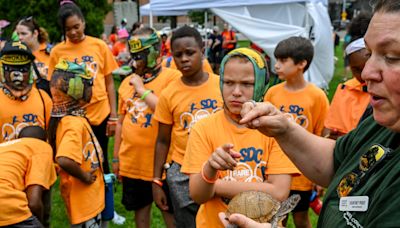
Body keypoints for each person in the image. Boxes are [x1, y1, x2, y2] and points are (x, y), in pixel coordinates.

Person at [236, 1, 400, 227]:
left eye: (392, 56)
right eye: (370, 53)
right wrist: (284, 129)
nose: (368, 72)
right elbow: (337, 161)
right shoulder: (383, 121)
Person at [181, 48, 299, 228]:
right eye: (228, 82)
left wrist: (215, 185)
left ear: (262, 84)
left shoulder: (276, 129)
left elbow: (279, 192)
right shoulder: (203, 128)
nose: (236, 91)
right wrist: (211, 168)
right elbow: (198, 195)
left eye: (247, 84)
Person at [153, 25, 223, 228]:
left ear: (202, 51)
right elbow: (162, 140)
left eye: (190, 53)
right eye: (178, 55)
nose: (184, 59)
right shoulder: (169, 94)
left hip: (220, 169)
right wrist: (157, 180)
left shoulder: (221, 86)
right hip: (183, 173)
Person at [113, 27, 181, 228]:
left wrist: (142, 90)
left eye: (141, 55)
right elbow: (120, 122)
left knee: (170, 214)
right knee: (141, 216)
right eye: (134, 55)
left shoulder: (172, 78)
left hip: (163, 163)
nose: (136, 61)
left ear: (155, 51)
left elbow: (167, 111)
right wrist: (116, 157)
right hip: (133, 162)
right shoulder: (126, 83)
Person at [48, 1, 119, 176]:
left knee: (101, 156)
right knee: (80, 157)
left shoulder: (99, 46)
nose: (73, 32)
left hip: (100, 114)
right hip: (73, 116)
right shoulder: (57, 52)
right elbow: (54, 86)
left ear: (83, 23)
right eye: (68, 29)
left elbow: (109, 82)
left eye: (76, 27)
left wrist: (113, 116)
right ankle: (84, 192)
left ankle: (105, 194)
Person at [265, 36, 329, 228]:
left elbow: (322, 135)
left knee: (301, 218)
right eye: (276, 60)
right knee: (275, 220)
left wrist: (319, 178)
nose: (276, 66)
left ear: (302, 63)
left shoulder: (317, 96)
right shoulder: (272, 93)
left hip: (303, 175)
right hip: (274, 173)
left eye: (283, 61)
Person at [48, 59, 105, 227]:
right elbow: (64, 159)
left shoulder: (71, 117)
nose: (91, 90)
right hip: (85, 202)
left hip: (89, 199)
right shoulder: (73, 123)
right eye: (88, 85)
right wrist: (85, 176)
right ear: (76, 89)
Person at [324, 12, 372, 139]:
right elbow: (329, 129)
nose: (364, 74)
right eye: (357, 69)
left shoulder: (388, 92)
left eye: (367, 67)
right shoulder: (345, 89)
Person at [0, 126, 56, 227]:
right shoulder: (41, 147)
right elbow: (34, 202)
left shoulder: (4, 147)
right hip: (5, 204)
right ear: (45, 141)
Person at [0, 40, 52, 143]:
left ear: (30, 70)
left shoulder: (43, 98)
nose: (17, 73)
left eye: (23, 69)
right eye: (10, 68)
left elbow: (52, 137)